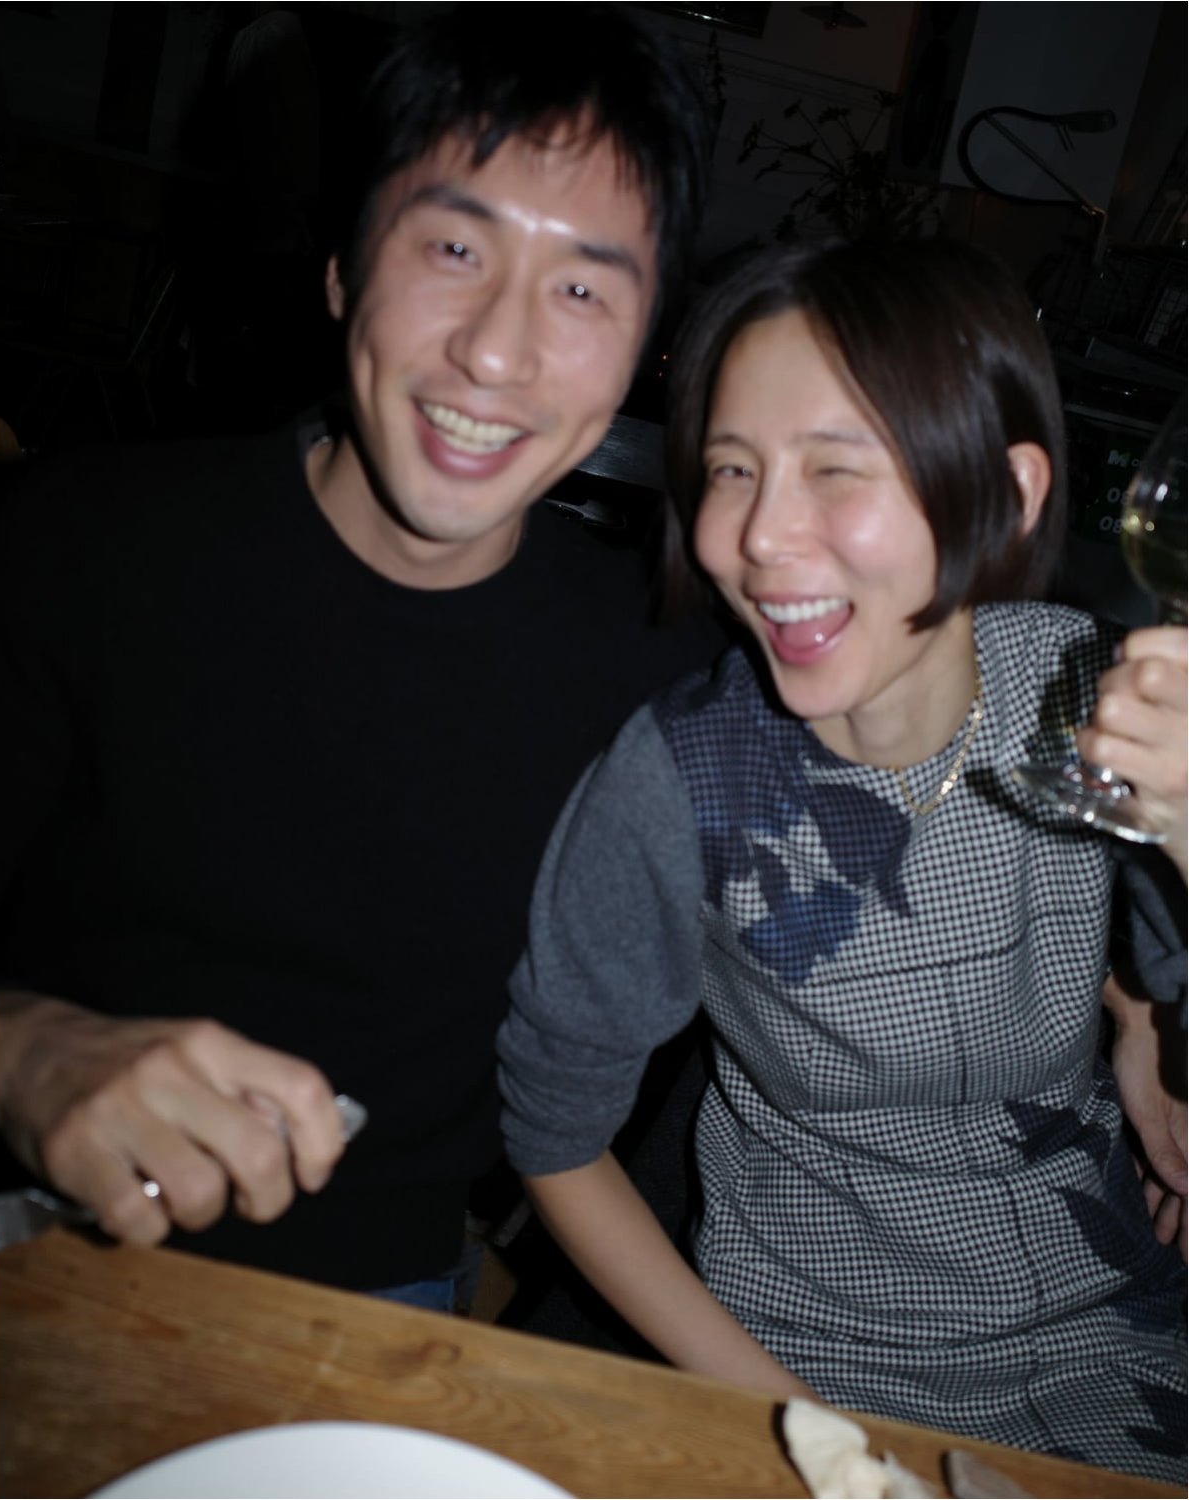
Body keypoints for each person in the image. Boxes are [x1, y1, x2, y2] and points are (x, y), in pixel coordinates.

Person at [0, 4, 721, 1306]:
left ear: (641, 350)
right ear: (340, 269)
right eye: (453, 247)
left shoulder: (660, 673)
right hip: (30, 1248)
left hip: (384, 1314)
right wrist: (22, 1049)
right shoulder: (75, 543)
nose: (495, 350)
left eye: (580, 289)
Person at [498, 239, 1186, 1480]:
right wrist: (810, 1433)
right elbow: (554, 1136)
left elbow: (1116, 910)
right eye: (733, 469)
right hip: (812, 1346)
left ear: (1007, 492)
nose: (761, 535)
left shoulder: (1088, 685)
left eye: (834, 467)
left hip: (1116, 1314)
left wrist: (1143, 1011)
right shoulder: (673, 784)